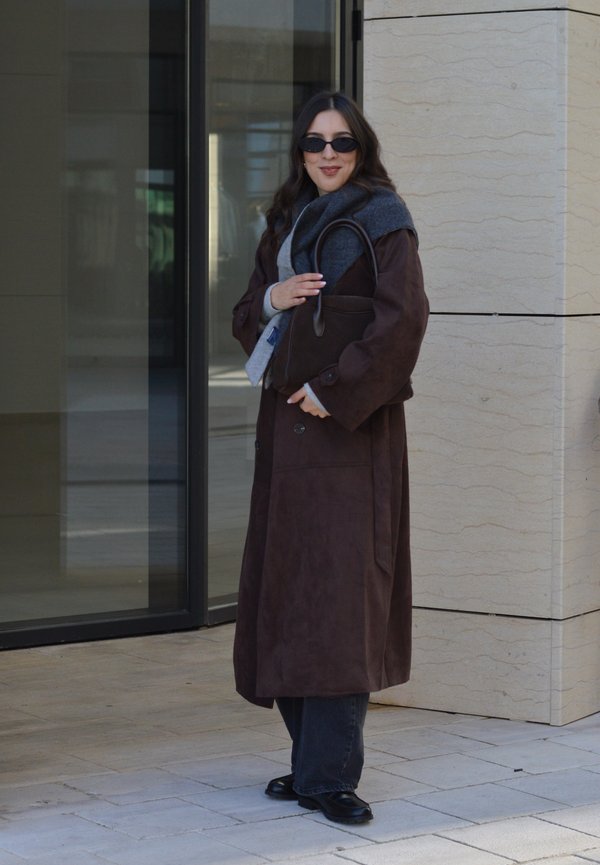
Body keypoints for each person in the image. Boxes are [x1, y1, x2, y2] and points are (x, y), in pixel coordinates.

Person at [231, 91, 429, 825]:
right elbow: (246, 315)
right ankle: (308, 763)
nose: (328, 154)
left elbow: (402, 322)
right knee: (290, 594)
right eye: (315, 143)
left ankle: (330, 775)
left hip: (351, 438)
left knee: (343, 601)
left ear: (362, 147)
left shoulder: (385, 222)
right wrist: (277, 295)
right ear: (300, 151)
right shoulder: (284, 224)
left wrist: (332, 388)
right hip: (286, 441)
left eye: (341, 142)